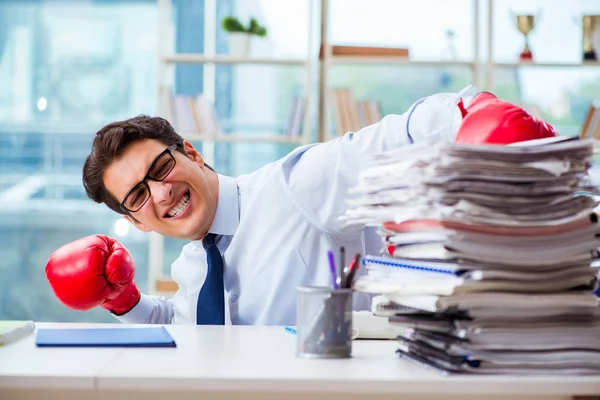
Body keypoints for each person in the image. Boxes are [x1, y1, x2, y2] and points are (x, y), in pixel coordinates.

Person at [44, 86, 558, 325]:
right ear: (137, 221)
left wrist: (475, 114)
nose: (160, 193)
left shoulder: (296, 186)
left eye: (159, 168)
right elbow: (184, 331)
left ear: (192, 154)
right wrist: (122, 301)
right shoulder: (195, 266)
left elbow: (397, 135)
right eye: (138, 196)